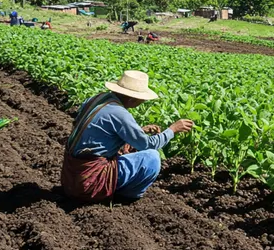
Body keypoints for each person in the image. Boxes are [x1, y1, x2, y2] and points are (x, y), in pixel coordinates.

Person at [60, 71, 194, 202]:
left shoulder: (97, 99)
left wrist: (139, 131)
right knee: (152, 157)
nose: (142, 102)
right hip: (89, 184)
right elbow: (148, 144)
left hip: (70, 178)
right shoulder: (119, 113)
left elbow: (98, 133)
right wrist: (172, 130)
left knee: (127, 148)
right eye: (142, 99)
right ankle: (125, 198)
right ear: (132, 99)